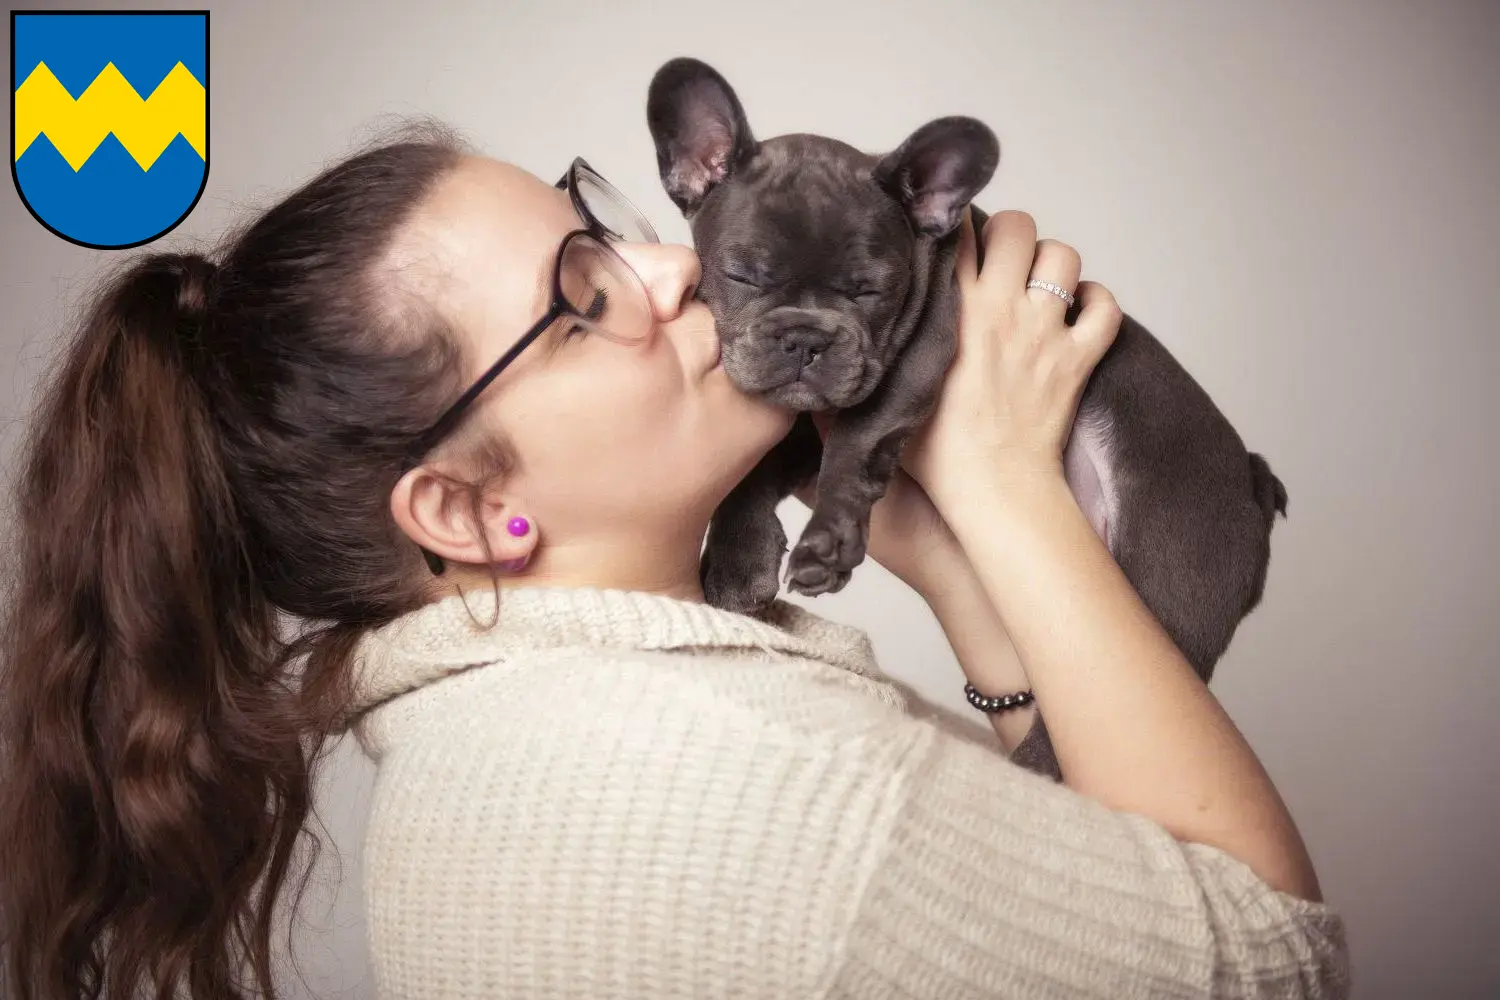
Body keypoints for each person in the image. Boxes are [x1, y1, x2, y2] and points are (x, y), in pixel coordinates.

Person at [0, 123, 1348, 1000]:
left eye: (606, 218)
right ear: (463, 511)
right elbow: (1274, 964)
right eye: (584, 298)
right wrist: (1008, 479)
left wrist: (951, 562)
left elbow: (1079, 888)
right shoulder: (751, 774)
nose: (671, 263)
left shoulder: (503, 744)